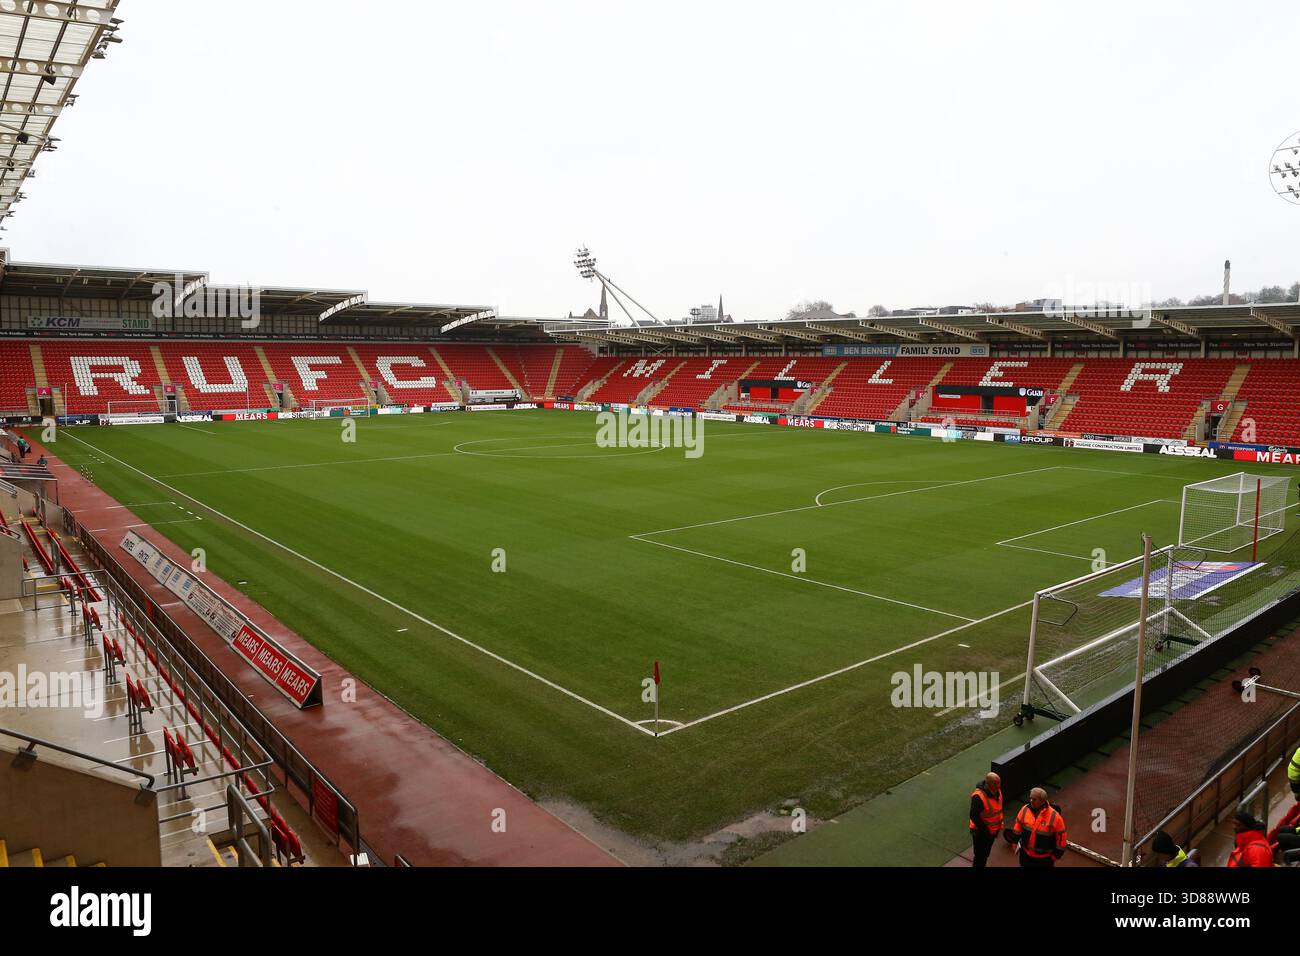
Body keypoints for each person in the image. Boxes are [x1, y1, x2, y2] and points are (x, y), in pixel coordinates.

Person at [1004, 787, 1067, 867]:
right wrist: (1014, 842)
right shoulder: (1025, 809)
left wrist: (1056, 855)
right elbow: (1018, 826)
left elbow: (1061, 837)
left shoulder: (1055, 817)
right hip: (1025, 855)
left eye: (1034, 799)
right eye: (1030, 798)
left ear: (1043, 801)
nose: (1031, 801)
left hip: (1044, 860)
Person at [968, 772, 1003, 868]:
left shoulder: (998, 791)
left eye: (999, 783)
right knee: (980, 856)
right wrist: (986, 831)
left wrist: (996, 828)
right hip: (980, 832)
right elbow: (973, 816)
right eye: (995, 783)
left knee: (985, 855)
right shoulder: (978, 796)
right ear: (988, 783)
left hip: (992, 831)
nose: (998, 785)